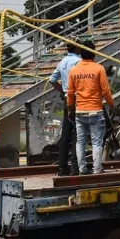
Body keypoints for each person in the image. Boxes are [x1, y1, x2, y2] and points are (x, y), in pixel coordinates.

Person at [67, 40, 115, 175]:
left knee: (80, 142)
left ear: (81, 53)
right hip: (95, 111)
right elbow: (105, 90)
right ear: (93, 53)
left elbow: (70, 93)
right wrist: (111, 105)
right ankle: (97, 169)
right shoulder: (99, 69)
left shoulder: (74, 70)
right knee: (96, 142)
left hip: (79, 111)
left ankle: (82, 170)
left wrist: (70, 110)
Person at [49, 41, 81, 176]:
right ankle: (75, 167)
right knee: (78, 134)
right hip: (78, 99)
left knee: (66, 133)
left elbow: (52, 80)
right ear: (77, 47)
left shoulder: (62, 62)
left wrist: (63, 91)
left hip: (67, 99)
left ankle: (62, 167)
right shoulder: (79, 62)